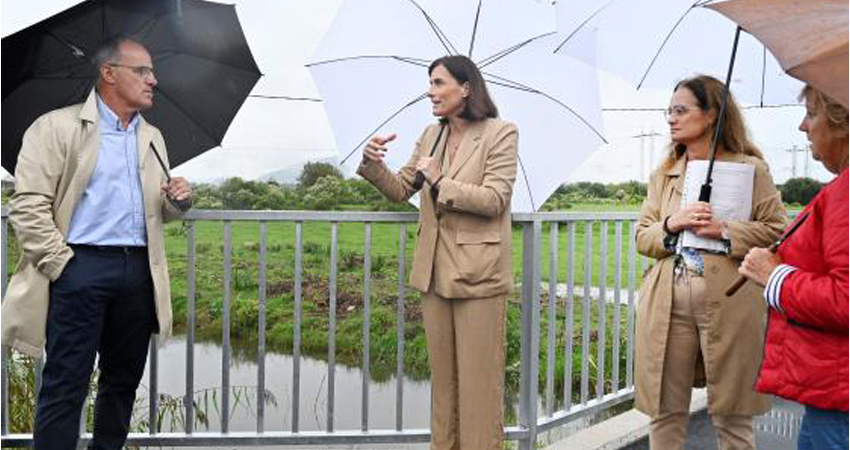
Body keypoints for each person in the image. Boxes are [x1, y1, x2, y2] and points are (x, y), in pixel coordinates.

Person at [1, 37, 192, 450]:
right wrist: (62, 265)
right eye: (142, 71)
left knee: (122, 384)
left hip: (138, 272)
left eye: (152, 72)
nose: (153, 80)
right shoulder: (54, 127)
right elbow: (27, 206)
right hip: (78, 267)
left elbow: (161, 209)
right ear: (109, 73)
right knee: (65, 385)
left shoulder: (153, 136)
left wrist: (179, 199)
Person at [358, 55, 517, 450]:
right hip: (433, 273)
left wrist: (441, 180)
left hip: (479, 276)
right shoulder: (431, 135)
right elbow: (400, 189)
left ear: (466, 88)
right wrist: (372, 162)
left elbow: (496, 199)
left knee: (479, 389)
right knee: (443, 388)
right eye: (429, 82)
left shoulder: (501, 132)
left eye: (438, 82)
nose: (430, 91)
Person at [634, 74, 786, 450]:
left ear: (711, 114)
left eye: (681, 110)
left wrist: (725, 230)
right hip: (669, 302)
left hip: (732, 303)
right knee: (666, 412)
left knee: (731, 413)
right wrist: (673, 223)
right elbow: (643, 236)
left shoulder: (751, 169)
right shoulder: (665, 173)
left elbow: (776, 229)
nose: (671, 118)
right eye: (669, 111)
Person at [738, 85, 848, 450]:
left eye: (813, 114)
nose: (803, 126)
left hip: (838, 392)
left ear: (843, 123)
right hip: (831, 390)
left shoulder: (846, 194)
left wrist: (774, 276)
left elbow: (845, 298)